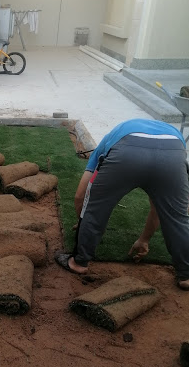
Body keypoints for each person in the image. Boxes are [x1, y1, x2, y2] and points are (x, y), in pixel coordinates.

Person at [55, 118, 189, 290]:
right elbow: (158, 207)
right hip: (172, 154)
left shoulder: (109, 139)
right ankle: (186, 275)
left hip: (127, 152)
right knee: (178, 218)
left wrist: (83, 220)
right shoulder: (173, 135)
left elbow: (81, 196)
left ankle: (78, 263)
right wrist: (144, 239)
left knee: (96, 208)